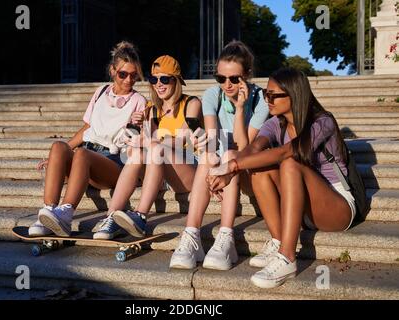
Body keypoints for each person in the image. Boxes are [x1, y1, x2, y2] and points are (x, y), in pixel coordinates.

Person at [207, 68, 356, 288]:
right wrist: (228, 171)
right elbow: (254, 149)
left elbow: (287, 152)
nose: (268, 100)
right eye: (267, 94)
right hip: (304, 209)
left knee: (290, 163)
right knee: (260, 168)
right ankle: (279, 242)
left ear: (294, 95)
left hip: (337, 206)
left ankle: (287, 257)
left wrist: (234, 165)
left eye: (274, 95)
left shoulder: (322, 121)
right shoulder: (275, 123)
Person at [169, 40, 270, 271]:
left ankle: (226, 238)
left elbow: (245, 148)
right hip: (222, 165)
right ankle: (192, 235)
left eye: (234, 79)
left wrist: (241, 108)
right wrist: (215, 172)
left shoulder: (261, 99)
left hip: (248, 169)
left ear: (247, 75)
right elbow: (213, 140)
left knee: (231, 154)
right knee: (209, 156)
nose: (227, 84)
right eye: (221, 78)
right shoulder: (213, 94)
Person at [28, 41, 147, 237]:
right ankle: (48, 213)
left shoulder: (139, 101)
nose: (128, 80)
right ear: (112, 71)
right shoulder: (100, 92)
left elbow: (140, 139)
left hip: (113, 162)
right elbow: (87, 128)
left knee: (82, 153)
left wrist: (141, 123)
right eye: (123, 74)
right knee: (58, 147)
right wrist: (58, 158)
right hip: (86, 157)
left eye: (134, 75)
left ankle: (66, 214)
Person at [93, 55, 202, 240]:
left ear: (176, 80)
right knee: (136, 152)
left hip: (188, 168)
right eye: (154, 79)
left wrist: (151, 141)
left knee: (155, 147)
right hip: (159, 171)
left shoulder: (192, 103)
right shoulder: (151, 109)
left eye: (164, 79)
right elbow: (145, 148)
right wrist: (138, 135)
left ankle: (141, 216)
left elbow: (183, 140)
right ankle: (111, 216)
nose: (158, 84)